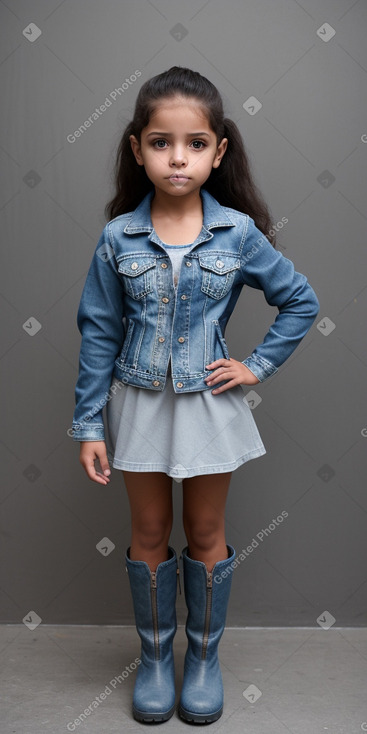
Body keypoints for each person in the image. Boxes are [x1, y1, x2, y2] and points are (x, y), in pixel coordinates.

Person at [70, 66, 320, 725]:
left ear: (218, 151)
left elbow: (300, 302)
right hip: (138, 401)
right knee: (149, 529)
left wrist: (254, 366)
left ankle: (201, 659)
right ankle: (155, 660)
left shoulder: (236, 233)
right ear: (136, 148)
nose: (177, 157)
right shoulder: (117, 238)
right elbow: (97, 330)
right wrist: (88, 424)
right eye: (159, 142)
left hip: (208, 406)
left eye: (194, 143)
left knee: (206, 529)